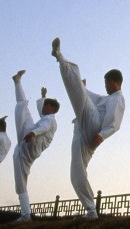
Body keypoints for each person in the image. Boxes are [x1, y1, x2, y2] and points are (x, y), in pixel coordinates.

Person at [51, 37, 126, 219]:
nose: (105, 85)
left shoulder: (118, 99)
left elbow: (115, 124)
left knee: (80, 97)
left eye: (107, 82)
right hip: (83, 131)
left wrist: (102, 135)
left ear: (115, 82)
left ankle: (60, 57)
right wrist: (83, 90)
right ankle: (91, 210)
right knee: (76, 174)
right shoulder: (106, 98)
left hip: (94, 128)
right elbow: (92, 98)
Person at [11, 70, 60, 222]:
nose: (43, 107)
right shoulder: (47, 118)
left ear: (51, 107)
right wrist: (44, 96)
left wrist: (33, 133)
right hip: (26, 146)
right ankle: (17, 81)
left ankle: (26, 215)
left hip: (30, 145)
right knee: (22, 108)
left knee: (22, 108)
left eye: (45, 105)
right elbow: (43, 118)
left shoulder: (50, 120)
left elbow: (44, 127)